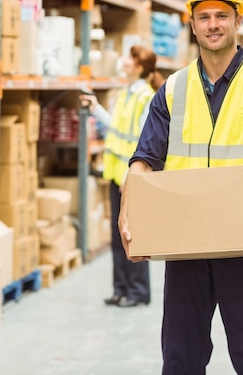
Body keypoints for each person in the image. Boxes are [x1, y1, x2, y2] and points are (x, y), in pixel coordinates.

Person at [118, 0, 243, 375]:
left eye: (222, 15)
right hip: (186, 248)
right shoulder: (171, 89)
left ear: (238, 20)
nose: (213, 25)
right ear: (192, 23)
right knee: (180, 359)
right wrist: (128, 210)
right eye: (204, 17)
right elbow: (143, 159)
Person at [80, 45, 163, 307]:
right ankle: (121, 289)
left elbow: (143, 140)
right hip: (116, 175)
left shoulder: (145, 97)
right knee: (117, 236)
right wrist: (95, 108)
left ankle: (138, 291)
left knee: (133, 235)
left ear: (138, 66)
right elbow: (117, 127)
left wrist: (132, 176)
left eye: (129, 57)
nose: (123, 61)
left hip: (130, 177)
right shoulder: (125, 94)